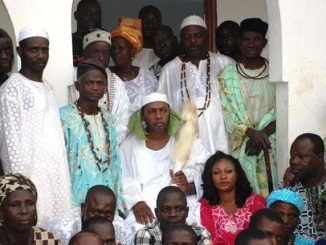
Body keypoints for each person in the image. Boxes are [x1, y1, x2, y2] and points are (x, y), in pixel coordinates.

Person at [0, 26, 72, 229]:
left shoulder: (48, 86)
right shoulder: (11, 89)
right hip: (30, 182)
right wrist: (21, 190)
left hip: (56, 179)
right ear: (20, 52)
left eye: (44, 49)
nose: (40, 55)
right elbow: (10, 146)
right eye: (33, 50)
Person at [120, 92, 210, 243]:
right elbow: (124, 178)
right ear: (142, 116)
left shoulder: (184, 139)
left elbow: (209, 168)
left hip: (180, 205)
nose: (158, 116)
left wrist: (189, 185)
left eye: (163, 110)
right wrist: (136, 203)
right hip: (146, 205)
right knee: (137, 230)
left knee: (194, 229)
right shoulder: (130, 144)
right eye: (152, 112)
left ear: (169, 113)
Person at [158, 15, 233, 155]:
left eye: (197, 36)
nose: (192, 41)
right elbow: (161, 110)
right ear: (181, 40)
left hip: (220, 139)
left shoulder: (225, 64)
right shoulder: (170, 70)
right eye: (187, 37)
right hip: (185, 143)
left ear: (206, 37)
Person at [219, 18, 276, 197]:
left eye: (256, 39)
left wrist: (263, 134)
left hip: (271, 144)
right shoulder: (227, 75)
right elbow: (227, 113)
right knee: (243, 197)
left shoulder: (276, 71)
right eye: (246, 39)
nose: (251, 44)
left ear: (264, 42)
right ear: (239, 42)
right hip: (242, 146)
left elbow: (283, 109)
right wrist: (251, 133)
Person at [60, 61, 122, 210]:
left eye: (100, 83)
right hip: (77, 196)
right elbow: (60, 161)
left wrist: (118, 199)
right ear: (77, 86)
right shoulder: (64, 116)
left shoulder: (108, 117)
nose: (95, 87)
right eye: (90, 83)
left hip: (107, 194)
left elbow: (115, 160)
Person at [68, 29, 129, 144]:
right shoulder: (71, 77)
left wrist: (104, 145)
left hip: (109, 149)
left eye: (106, 52)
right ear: (85, 53)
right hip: (78, 147)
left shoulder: (116, 82)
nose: (101, 57)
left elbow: (122, 122)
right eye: (96, 52)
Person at [200, 151, 266, 244]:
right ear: (210, 176)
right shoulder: (203, 206)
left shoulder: (256, 202)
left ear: (237, 174)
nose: (223, 176)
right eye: (217, 172)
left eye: (228, 171)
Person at [279, 133, 326, 239]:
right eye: (292, 156)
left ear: (319, 157)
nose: (294, 161)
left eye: (302, 156)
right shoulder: (285, 190)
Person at [110, 17, 158, 115]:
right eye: (113, 48)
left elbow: (155, 108)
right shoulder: (105, 75)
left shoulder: (147, 77)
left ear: (132, 51)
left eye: (120, 48)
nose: (116, 52)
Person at [50, 185, 126, 245]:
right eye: (96, 212)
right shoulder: (63, 229)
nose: (101, 218)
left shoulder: (121, 227)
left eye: (108, 214)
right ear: (83, 208)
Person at [135, 186, 212, 244]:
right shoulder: (146, 234)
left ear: (187, 212)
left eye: (178, 209)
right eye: (165, 209)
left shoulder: (199, 232)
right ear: (157, 213)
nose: (172, 214)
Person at [0, 173, 61, 244]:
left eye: (30, 204)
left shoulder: (49, 240)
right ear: (1, 211)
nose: (24, 211)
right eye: (15, 205)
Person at [72, 0, 102, 66]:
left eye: (97, 14)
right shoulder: (68, 42)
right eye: (87, 13)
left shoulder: (104, 41)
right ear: (76, 15)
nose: (93, 17)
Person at [133, 5, 162, 69]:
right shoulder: (129, 51)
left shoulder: (165, 52)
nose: (150, 25)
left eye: (154, 21)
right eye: (146, 21)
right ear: (139, 22)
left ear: (160, 24)